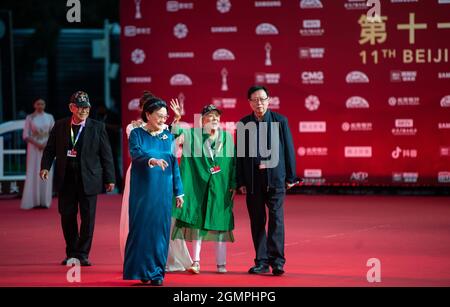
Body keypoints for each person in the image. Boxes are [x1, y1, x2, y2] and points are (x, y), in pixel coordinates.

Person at [40, 91, 115, 266]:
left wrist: (110, 178)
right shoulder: (59, 126)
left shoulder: (98, 127)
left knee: (88, 218)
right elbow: (50, 149)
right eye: (80, 107)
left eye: (86, 108)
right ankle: (72, 252)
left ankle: (82, 254)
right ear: (71, 108)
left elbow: (107, 155)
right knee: (67, 216)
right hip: (65, 179)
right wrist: (45, 167)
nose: (83, 111)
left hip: (89, 179)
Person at [119, 91, 192, 272]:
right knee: (141, 226)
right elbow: (136, 153)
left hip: (163, 185)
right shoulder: (135, 131)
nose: (163, 119)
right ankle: (139, 268)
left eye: (164, 116)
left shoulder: (167, 134)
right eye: (159, 115)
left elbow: (173, 162)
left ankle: (158, 271)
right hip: (142, 181)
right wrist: (151, 161)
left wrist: (179, 191)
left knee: (161, 229)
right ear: (147, 113)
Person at [236, 85, 297, 276]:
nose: (259, 103)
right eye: (255, 100)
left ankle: (277, 261)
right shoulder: (244, 123)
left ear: (269, 100)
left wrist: (291, 176)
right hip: (253, 180)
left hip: (276, 178)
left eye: (262, 99)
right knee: (257, 221)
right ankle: (261, 261)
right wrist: (240, 181)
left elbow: (288, 149)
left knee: (276, 220)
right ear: (249, 102)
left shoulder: (280, 121)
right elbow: (240, 155)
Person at [170, 101, 236, 274]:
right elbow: (174, 134)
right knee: (197, 225)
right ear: (202, 120)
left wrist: (234, 184)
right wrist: (176, 119)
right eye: (209, 116)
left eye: (216, 116)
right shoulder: (193, 135)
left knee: (220, 225)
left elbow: (233, 163)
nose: (213, 118)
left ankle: (221, 264)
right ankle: (196, 262)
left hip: (221, 188)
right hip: (199, 188)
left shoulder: (227, 137)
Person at [21, 98, 55, 210]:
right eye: (38, 104)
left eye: (42, 104)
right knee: (33, 171)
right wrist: (37, 144)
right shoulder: (29, 118)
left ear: (45, 105)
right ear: (34, 105)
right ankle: (33, 201)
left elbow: (53, 133)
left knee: (46, 170)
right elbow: (25, 135)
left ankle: (44, 201)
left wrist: (45, 143)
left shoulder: (49, 117)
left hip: (47, 147)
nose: (40, 105)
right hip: (34, 148)